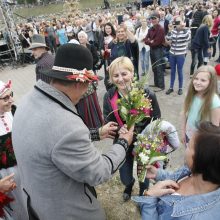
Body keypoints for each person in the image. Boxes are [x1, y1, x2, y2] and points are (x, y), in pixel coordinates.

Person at [12, 44, 134, 220]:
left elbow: (52, 143)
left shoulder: (27, 100)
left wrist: (95, 133)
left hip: (37, 202)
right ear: (80, 83)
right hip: (67, 212)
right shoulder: (66, 125)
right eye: (88, 86)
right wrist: (123, 143)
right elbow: (98, 172)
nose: (87, 92)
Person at [132, 121, 220, 220]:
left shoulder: (194, 217)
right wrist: (158, 174)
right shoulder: (192, 171)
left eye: (189, 146)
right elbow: (175, 178)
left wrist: (148, 198)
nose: (185, 145)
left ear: (200, 159)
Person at [103, 57, 161, 201]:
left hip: (144, 143)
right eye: (115, 75)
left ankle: (143, 191)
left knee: (144, 174)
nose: (120, 79)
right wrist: (119, 130)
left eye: (124, 74)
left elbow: (157, 119)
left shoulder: (147, 94)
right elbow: (107, 120)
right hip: (122, 142)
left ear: (132, 73)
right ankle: (129, 185)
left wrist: (150, 138)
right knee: (125, 175)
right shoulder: (109, 96)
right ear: (111, 78)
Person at [0, 80, 28, 220]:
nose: (11, 99)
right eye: (5, 98)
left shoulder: (15, 111)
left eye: (11, 95)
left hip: (26, 173)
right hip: (6, 181)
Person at [183, 65, 220, 144]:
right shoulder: (190, 94)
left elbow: (215, 128)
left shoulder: (215, 102)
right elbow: (184, 114)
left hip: (202, 141)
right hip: (188, 135)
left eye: (203, 80)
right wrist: (183, 132)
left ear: (211, 83)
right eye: (196, 79)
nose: (198, 82)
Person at [76, 31, 104, 128]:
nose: (81, 38)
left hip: (90, 71)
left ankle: (95, 110)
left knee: (92, 90)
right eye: (79, 37)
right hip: (81, 73)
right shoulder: (77, 48)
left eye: (82, 37)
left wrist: (90, 65)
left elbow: (96, 57)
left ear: (86, 37)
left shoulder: (91, 46)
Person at [165, 17, 191, 95]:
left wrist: (183, 28)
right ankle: (171, 87)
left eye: (179, 22)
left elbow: (188, 38)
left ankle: (180, 88)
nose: (178, 24)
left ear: (182, 22)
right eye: (176, 22)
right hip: (172, 53)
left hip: (180, 54)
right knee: (172, 70)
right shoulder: (173, 31)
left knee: (179, 71)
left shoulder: (186, 31)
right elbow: (168, 38)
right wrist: (169, 31)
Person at [144, 11, 165, 91]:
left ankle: (161, 86)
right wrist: (150, 41)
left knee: (159, 68)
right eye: (151, 18)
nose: (153, 20)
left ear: (158, 19)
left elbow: (157, 42)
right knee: (154, 67)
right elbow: (145, 39)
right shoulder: (150, 29)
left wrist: (150, 41)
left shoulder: (161, 29)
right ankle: (156, 83)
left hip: (158, 50)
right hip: (152, 50)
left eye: (154, 18)